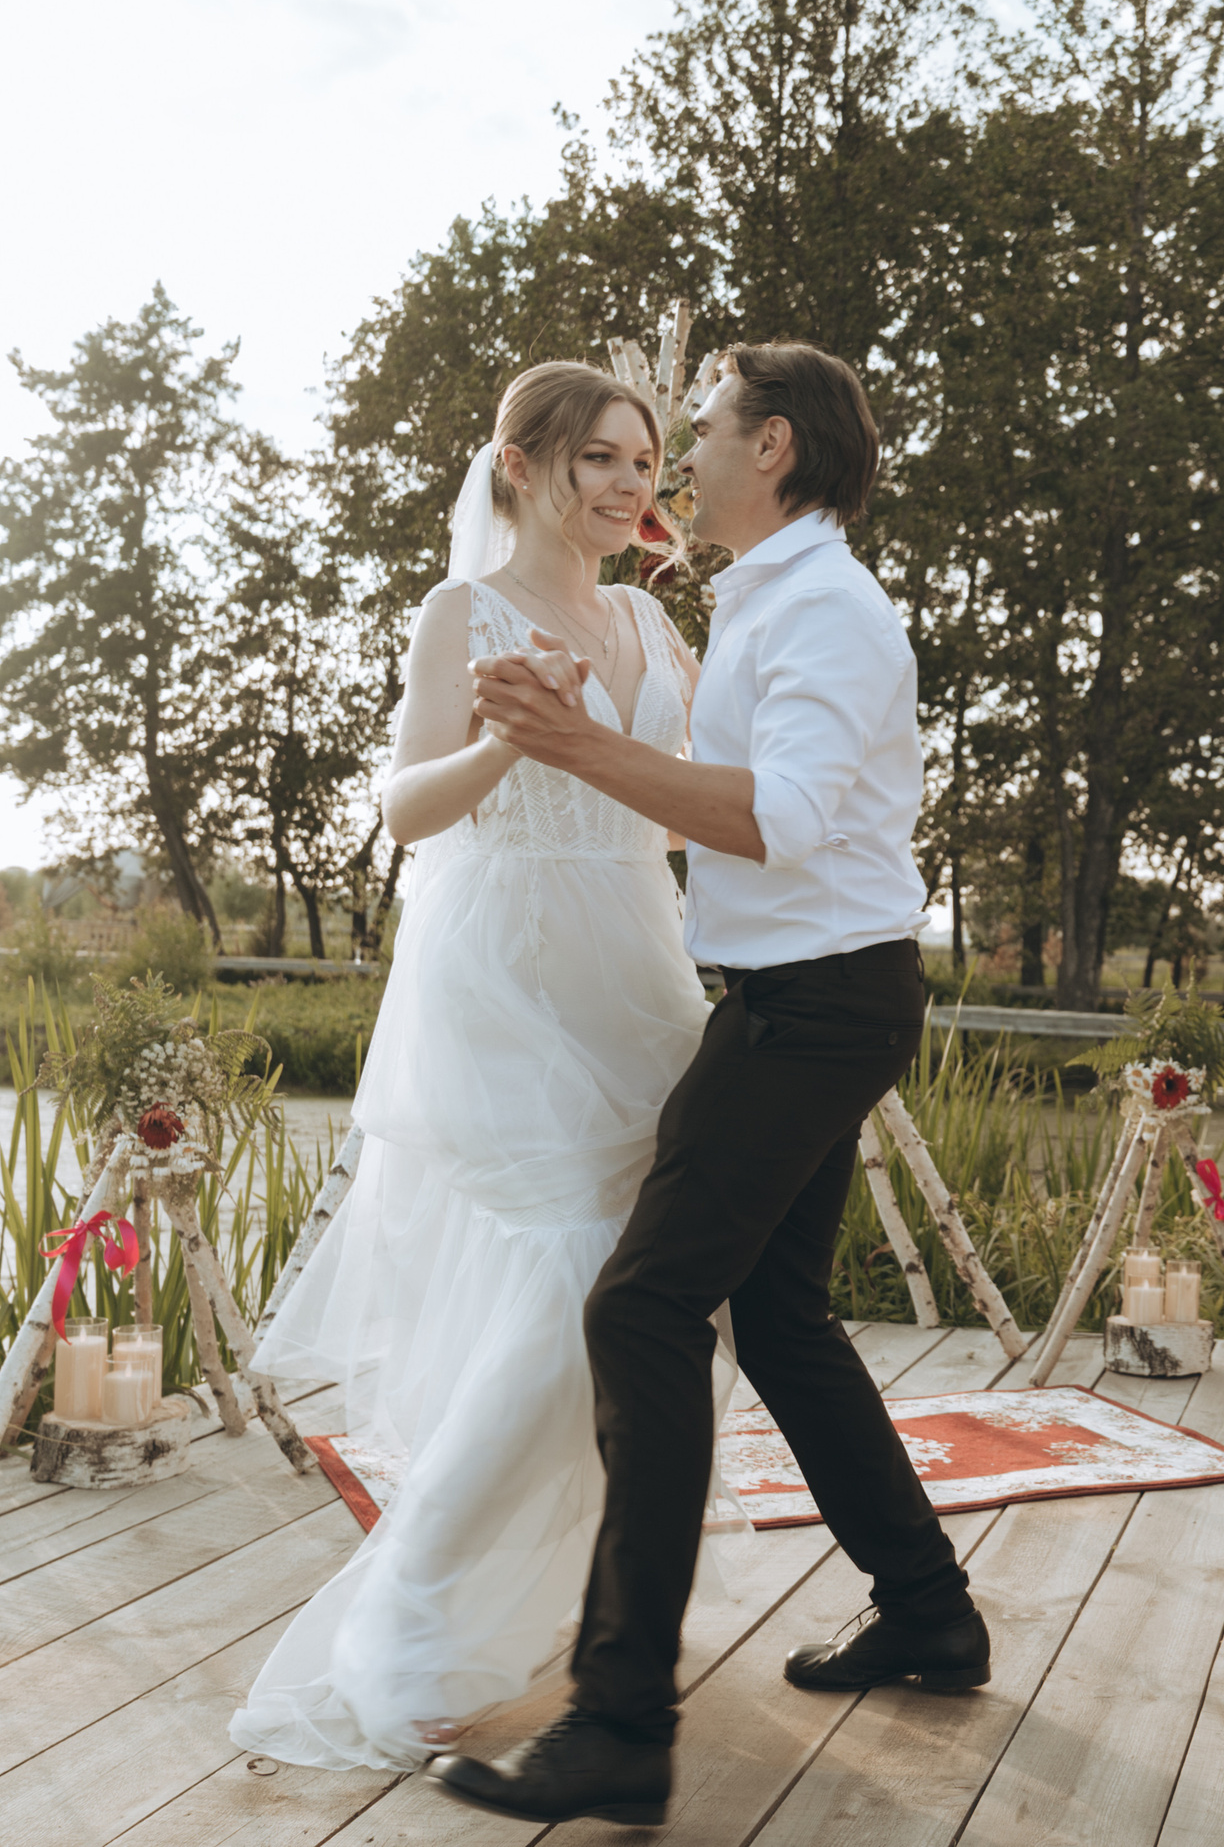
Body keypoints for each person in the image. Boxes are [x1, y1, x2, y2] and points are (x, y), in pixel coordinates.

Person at [427, 341, 983, 1828]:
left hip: (815, 1008)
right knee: (781, 1316)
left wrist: (572, 742)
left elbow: (779, 819)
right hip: (805, 996)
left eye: (708, 429)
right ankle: (929, 1611)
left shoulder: (826, 611)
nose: (680, 463)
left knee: (641, 1306)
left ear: (774, 446)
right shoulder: (764, 597)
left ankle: (620, 1721)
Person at [232, 364, 715, 1769]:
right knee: (575, 1275)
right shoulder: (465, 611)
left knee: (661, 1291)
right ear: (521, 463)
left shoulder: (651, 621)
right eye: (602, 459)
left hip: (639, 971)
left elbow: (671, 811)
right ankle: (408, 1621)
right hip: (506, 973)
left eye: (645, 463)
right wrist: (509, 740)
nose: (631, 485)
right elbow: (403, 808)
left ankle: (557, 1593)